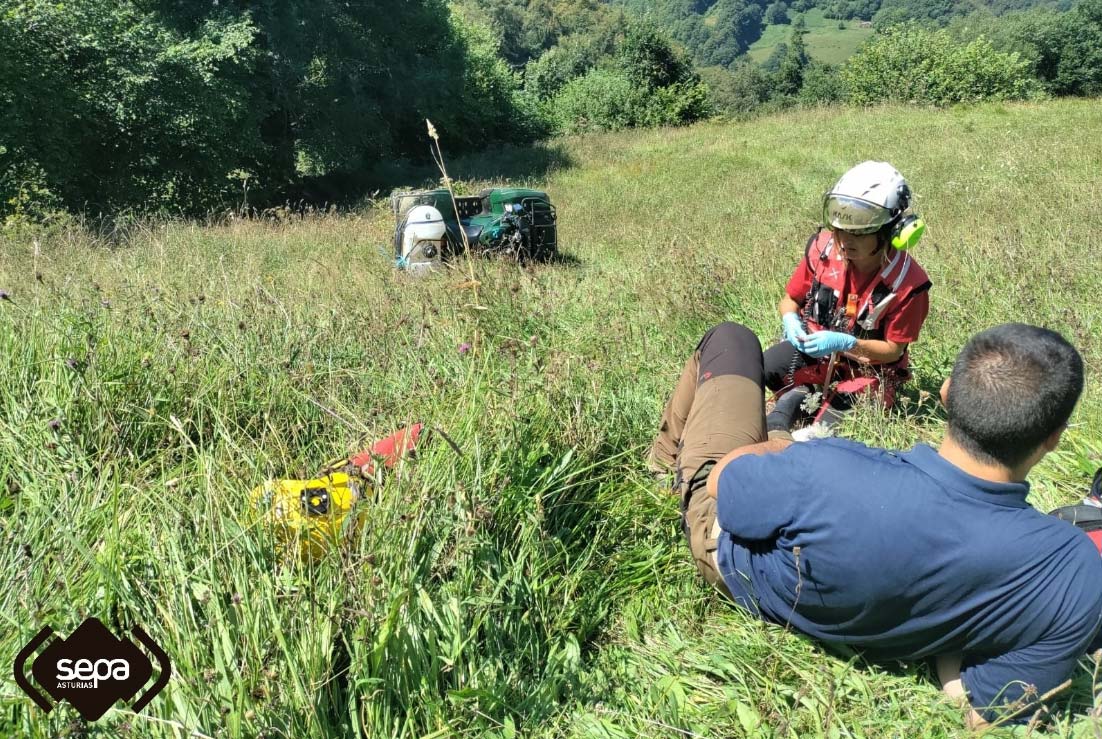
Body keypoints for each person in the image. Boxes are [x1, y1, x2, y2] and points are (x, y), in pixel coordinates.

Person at [649, 320, 1101, 726]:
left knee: (731, 339)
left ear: (946, 394)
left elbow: (725, 485)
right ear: (1054, 438)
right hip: (832, 582)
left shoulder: (829, 467)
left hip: (736, 563)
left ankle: (663, 462)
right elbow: (985, 711)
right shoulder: (1075, 570)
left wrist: (783, 445)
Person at [765, 161, 932, 441]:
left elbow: (893, 350)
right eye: (839, 229)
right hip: (813, 354)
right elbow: (789, 300)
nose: (843, 240)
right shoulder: (821, 250)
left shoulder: (909, 284)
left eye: (858, 232)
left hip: (869, 373)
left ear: (892, 230)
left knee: (823, 430)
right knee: (762, 367)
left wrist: (848, 343)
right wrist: (790, 319)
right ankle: (800, 397)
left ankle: (809, 413)